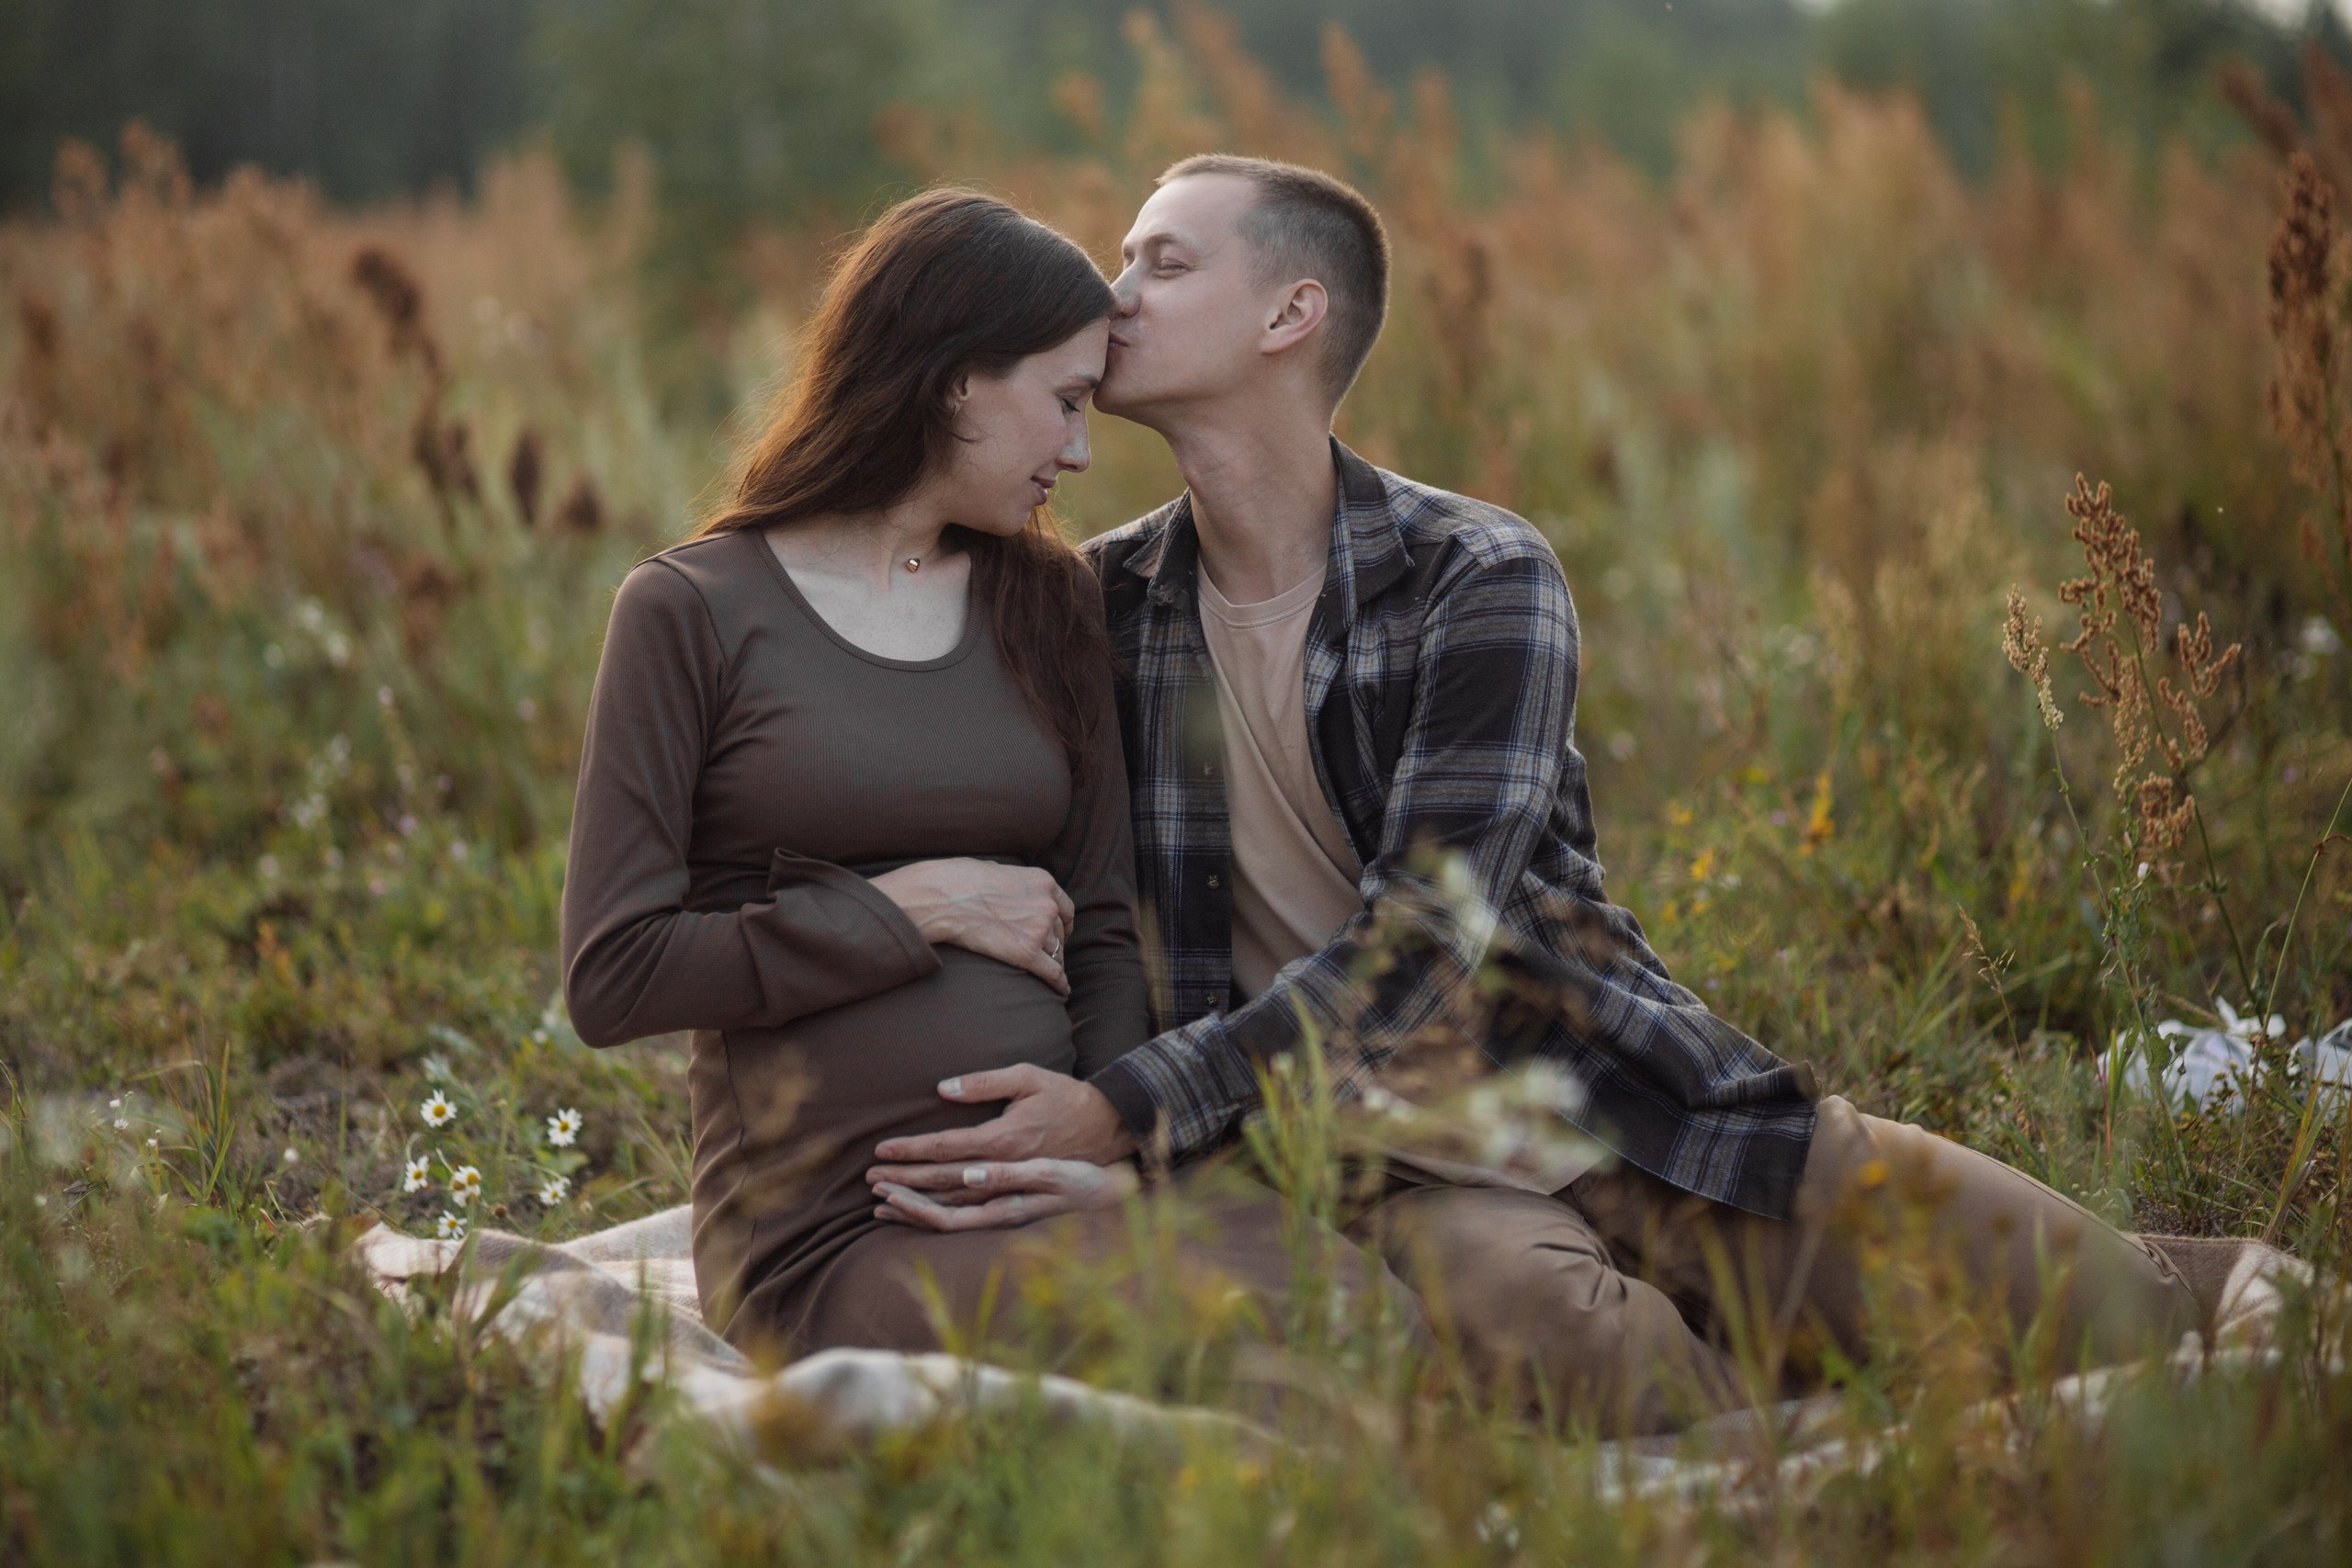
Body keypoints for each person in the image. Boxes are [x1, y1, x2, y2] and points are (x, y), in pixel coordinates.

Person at [861, 157, 2203, 1432]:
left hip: (1605, 1092)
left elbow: (1428, 938)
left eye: (1162, 262)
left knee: (2115, 1310)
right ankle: (1817, 1450)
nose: (1114, 298)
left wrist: (1126, 1104)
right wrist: (907, 906)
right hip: (1371, 1160)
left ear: (1290, 313)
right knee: (1593, 1371)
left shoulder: (1474, 572)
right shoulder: (1095, 606)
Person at [560, 188, 1406, 1365]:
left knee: (1367, 1316)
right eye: (1064, 402)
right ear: (958, 382)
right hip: (843, 1224)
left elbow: (1100, 925)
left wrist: (1110, 1148)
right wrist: (907, 909)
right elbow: (614, 974)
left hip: (1059, 1187)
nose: (1081, 450)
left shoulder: (1047, 601)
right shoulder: (691, 611)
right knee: (1218, 1350)